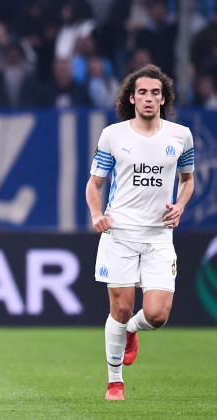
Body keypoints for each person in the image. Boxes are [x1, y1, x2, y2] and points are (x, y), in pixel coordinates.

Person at [86, 64, 195, 401]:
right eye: (143, 92)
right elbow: (95, 183)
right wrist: (96, 213)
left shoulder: (180, 136)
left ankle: (132, 331)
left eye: (156, 93)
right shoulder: (113, 135)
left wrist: (181, 205)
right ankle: (114, 382)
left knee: (158, 315)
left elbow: (187, 180)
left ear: (164, 99)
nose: (149, 98)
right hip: (120, 232)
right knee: (120, 308)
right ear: (131, 98)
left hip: (159, 236)